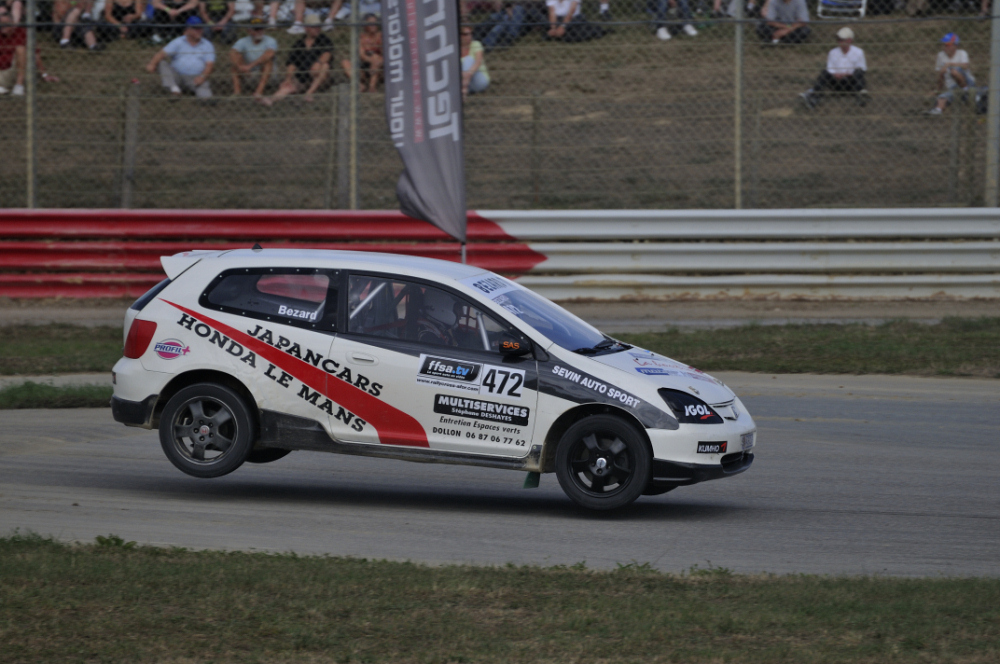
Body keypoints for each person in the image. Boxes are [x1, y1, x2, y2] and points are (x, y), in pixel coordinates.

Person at [262, 13, 330, 105]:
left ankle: (309, 93)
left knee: (324, 66)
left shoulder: (324, 39)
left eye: (318, 26)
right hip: (302, 77)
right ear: (306, 28)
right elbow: (292, 63)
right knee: (288, 85)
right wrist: (288, 78)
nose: (317, 29)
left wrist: (318, 62)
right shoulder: (299, 43)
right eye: (314, 27)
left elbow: (327, 54)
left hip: (319, 75)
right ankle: (271, 100)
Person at [145, 15, 215, 98]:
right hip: (176, 76)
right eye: (196, 28)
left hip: (196, 78)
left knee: (206, 97)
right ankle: (174, 89)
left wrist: (202, 77)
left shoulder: (207, 45)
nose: (199, 31)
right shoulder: (179, 41)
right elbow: (162, 53)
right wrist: (152, 64)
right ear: (188, 30)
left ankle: (205, 98)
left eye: (201, 28)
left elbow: (210, 65)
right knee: (162, 63)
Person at [799, 27, 867, 109]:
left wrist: (847, 74)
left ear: (849, 40)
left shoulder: (859, 52)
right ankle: (815, 97)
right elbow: (830, 69)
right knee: (824, 73)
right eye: (839, 39)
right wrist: (836, 75)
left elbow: (862, 69)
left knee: (859, 73)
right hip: (836, 82)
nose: (840, 42)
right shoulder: (832, 52)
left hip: (851, 82)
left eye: (842, 39)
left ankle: (860, 95)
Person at [0, 9, 58, 95]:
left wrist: (44, 74)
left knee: (20, 49)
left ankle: (19, 86)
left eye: (6, 24)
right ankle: (3, 86)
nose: (2, 27)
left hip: (13, 69)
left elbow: (35, 54)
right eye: (1, 25)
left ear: (12, 23)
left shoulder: (23, 32)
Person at [927, 33, 974, 116]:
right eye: (944, 44)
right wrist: (938, 90)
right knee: (943, 97)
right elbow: (940, 76)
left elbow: (965, 66)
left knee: (954, 71)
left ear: (955, 45)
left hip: (967, 82)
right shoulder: (940, 55)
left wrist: (949, 64)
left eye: (948, 44)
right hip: (953, 86)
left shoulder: (962, 53)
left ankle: (966, 91)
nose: (945, 47)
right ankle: (938, 110)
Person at [230, 16, 276, 96]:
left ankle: (258, 92)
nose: (260, 31)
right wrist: (240, 66)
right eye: (256, 29)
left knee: (268, 62)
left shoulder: (270, 40)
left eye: (261, 29)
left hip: (269, 74)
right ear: (249, 31)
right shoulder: (243, 41)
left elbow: (269, 54)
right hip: (248, 72)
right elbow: (232, 52)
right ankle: (237, 92)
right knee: (235, 62)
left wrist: (250, 66)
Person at [341, 13, 381, 92]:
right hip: (364, 65)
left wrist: (376, 61)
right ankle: (359, 85)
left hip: (379, 68)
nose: (373, 25)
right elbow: (361, 55)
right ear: (365, 25)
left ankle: (372, 86)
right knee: (345, 62)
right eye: (370, 23)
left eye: (375, 23)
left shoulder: (381, 36)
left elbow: (385, 55)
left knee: (376, 57)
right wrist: (371, 60)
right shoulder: (361, 37)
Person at [460, 25, 488, 97]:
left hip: (478, 80)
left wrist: (468, 74)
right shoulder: (455, 48)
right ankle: (464, 89)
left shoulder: (476, 44)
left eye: (470, 33)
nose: (469, 36)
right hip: (462, 81)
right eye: (466, 34)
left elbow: (478, 62)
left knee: (468, 60)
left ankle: (464, 90)